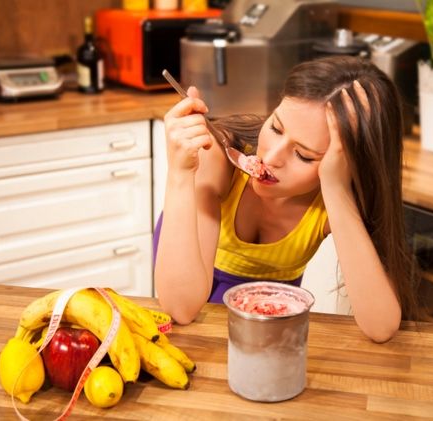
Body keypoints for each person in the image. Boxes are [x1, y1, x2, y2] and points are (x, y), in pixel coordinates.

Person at [154, 55, 419, 343]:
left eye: (304, 155)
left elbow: (380, 327)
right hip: (192, 303)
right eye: (276, 127)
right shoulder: (216, 157)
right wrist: (180, 174)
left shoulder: (338, 193)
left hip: (270, 327)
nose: (270, 156)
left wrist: (335, 188)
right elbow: (181, 309)